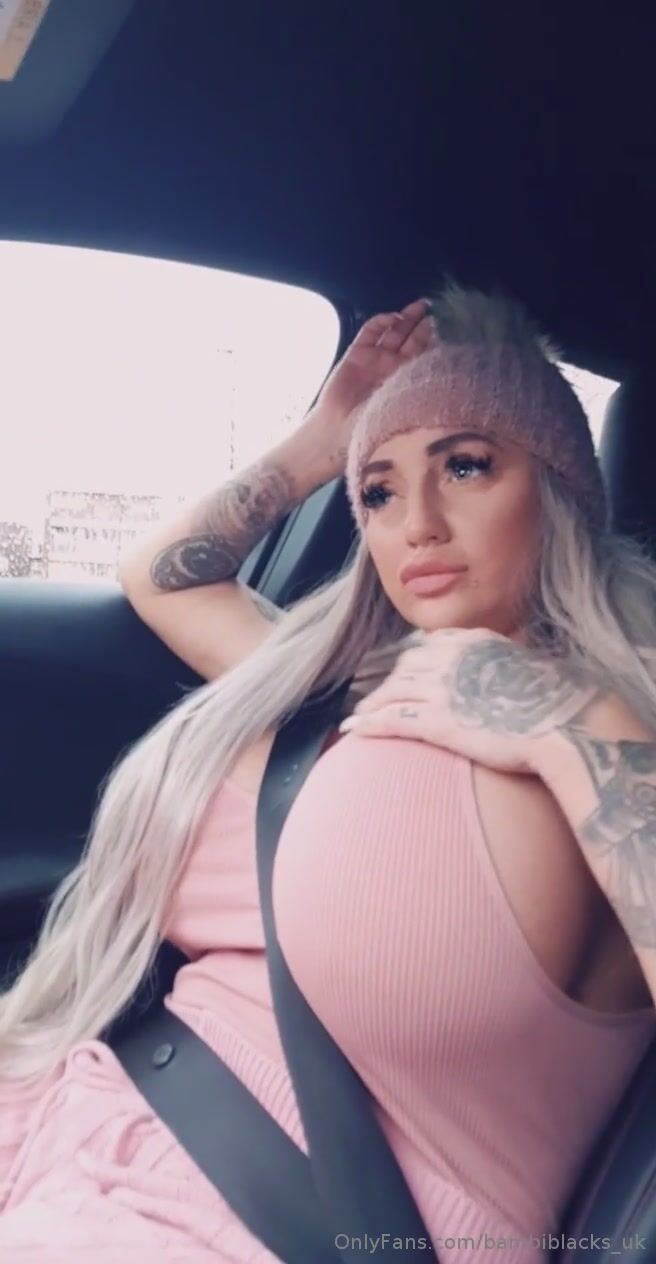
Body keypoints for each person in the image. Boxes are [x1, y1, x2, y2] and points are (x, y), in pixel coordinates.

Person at [0, 281, 654, 1262]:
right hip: (71, 1125)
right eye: (378, 490)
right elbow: (165, 573)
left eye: (465, 465)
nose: (415, 521)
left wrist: (568, 724)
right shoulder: (345, 688)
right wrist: (326, 437)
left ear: (559, 487)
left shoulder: (618, 725)